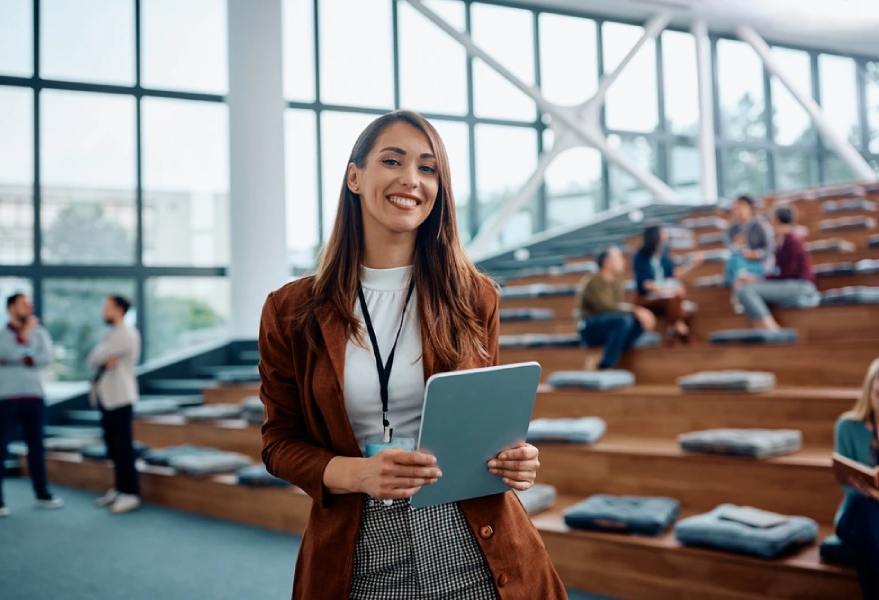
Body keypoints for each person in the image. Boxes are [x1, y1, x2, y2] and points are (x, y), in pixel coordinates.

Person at [258, 111, 567, 599]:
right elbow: (278, 444)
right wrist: (360, 473)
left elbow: (484, 422)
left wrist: (517, 460)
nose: (411, 179)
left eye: (428, 168)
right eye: (393, 160)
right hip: (360, 555)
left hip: (474, 546)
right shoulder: (290, 309)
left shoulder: (474, 296)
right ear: (354, 176)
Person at [0, 293, 63, 517]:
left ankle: (42, 494)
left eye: (30, 304)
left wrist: (22, 356)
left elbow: (45, 357)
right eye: (23, 304)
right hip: (8, 400)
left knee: (37, 448)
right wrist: (26, 340)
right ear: (11, 308)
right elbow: (7, 352)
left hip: (35, 398)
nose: (28, 308)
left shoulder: (41, 333)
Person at [86, 295, 142, 515]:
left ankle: (131, 494)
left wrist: (101, 357)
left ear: (119, 310)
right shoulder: (109, 334)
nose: (103, 310)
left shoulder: (126, 334)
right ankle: (120, 489)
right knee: (114, 448)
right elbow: (93, 358)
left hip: (120, 397)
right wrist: (102, 358)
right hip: (106, 398)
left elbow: (94, 358)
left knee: (123, 448)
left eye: (107, 306)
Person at [834, 358, 879, 599]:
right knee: (863, 506)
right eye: (878, 394)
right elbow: (846, 480)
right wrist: (871, 493)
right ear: (868, 392)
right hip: (856, 512)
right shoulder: (847, 426)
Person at [735, 206, 818, 330]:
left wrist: (758, 279)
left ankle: (771, 328)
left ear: (775, 219)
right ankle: (761, 328)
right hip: (790, 284)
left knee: (745, 291)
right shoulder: (782, 241)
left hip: (801, 286)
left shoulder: (793, 241)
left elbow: (787, 274)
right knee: (748, 291)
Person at [577, 246, 656, 370]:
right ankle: (606, 365)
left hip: (609, 326)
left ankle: (605, 356)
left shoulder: (616, 282)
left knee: (638, 324)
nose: (623, 261)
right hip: (589, 327)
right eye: (618, 258)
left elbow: (616, 308)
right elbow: (605, 306)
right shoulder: (592, 281)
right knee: (623, 321)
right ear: (607, 262)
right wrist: (636, 311)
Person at [633, 225, 701, 345]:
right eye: (662, 233)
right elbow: (646, 285)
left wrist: (692, 265)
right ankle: (682, 331)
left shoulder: (664, 254)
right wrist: (669, 289)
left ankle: (674, 333)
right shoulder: (640, 256)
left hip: (666, 295)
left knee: (676, 299)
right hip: (647, 298)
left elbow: (674, 274)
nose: (666, 235)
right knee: (675, 301)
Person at [724, 195, 774, 288]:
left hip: (760, 263)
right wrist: (737, 247)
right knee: (735, 262)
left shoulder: (760, 226)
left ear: (750, 207)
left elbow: (770, 249)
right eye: (736, 208)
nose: (739, 210)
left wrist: (757, 254)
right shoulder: (732, 229)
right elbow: (730, 249)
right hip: (740, 263)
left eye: (742, 207)